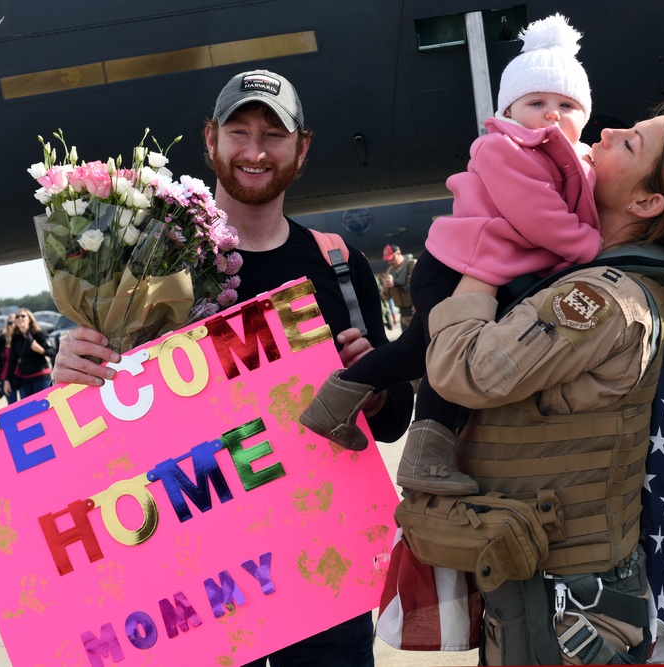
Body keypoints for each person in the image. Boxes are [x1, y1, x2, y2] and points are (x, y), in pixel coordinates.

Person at [52, 68, 414, 667]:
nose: (254, 151)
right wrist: (73, 371)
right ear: (210, 139)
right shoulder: (148, 267)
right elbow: (107, 424)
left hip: (318, 566)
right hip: (198, 576)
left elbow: (395, 417)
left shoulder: (337, 263)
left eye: (273, 135)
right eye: (239, 131)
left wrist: (372, 387)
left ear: (302, 148)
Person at [418, 99, 664, 664]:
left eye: (631, 143)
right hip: (541, 595)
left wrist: (482, 262)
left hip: (571, 614)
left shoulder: (601, 300)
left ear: (647, 202)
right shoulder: (613, 284)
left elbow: (465, 368)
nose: (607, 131)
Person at [301, 14, 604, 495]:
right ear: (510, 109)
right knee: (434, 358)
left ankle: (354, 417)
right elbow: (539, 217)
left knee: (423, 355)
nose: (552, 114)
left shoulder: (567, 156)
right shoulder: (504, 148)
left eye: (566, 104)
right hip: (453, 270)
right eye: (536, 102)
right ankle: (403, 447)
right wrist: (592, 247)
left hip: (477, 270)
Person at [2, 309, 52, 400]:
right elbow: (12, 361)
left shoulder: (38, 334)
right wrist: (7, 380)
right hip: (26, 379)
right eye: (17, 316)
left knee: (44, 408)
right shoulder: (16, 338)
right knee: (32, 411)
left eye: (23, 316)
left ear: (29, 319)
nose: (20, 318)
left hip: (41, 377)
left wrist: (41, 350)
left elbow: (53, 352)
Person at [380, 245, 416, 331]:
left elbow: (423, 287)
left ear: (399, 253)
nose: (390, 262)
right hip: (403, 314)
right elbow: (385, 296)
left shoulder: (413, 265)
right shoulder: (390, 271)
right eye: (388, 260)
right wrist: (386, 286)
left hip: (417, 312)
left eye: (392, 259)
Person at [0, 316, 18, 404]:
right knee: (12, 407)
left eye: (14, 322)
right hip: (5, 377)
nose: (12, 325)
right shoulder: (1, 340)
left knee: (27, 406)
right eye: (10, 323)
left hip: (22, 376)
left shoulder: (23, 338)